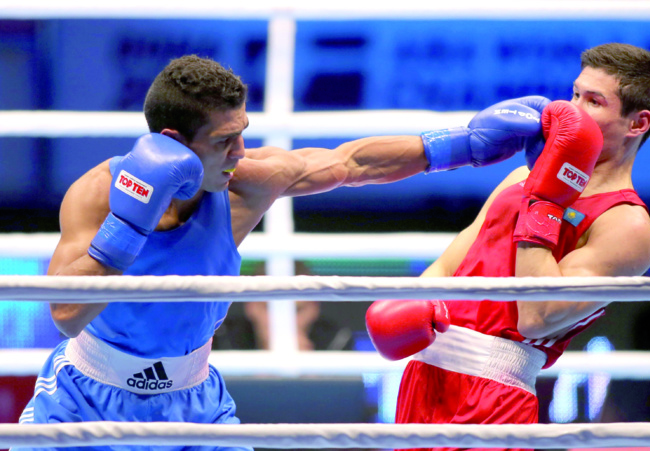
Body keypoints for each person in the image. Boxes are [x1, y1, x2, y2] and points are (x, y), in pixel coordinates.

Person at [16, 54, 552, 451]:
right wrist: (128, 222)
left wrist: (470, 144)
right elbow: (65, 314)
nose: (240, 152)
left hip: (192, 403)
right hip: (86, 396)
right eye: (225, 140)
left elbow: (350, 164)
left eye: (242, 133)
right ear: (176, 142)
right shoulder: (96, 194)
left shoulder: (244, 185)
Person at [365, 42, 650, 451]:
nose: (574, 111)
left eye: (594, 102)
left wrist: (546, 203)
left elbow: (536, 315)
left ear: (637, 123)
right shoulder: (519, 179)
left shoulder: (625, 224)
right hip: (424, 378)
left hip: (495, 398)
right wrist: (410, 308)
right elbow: (448, 265)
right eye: (575, 94)